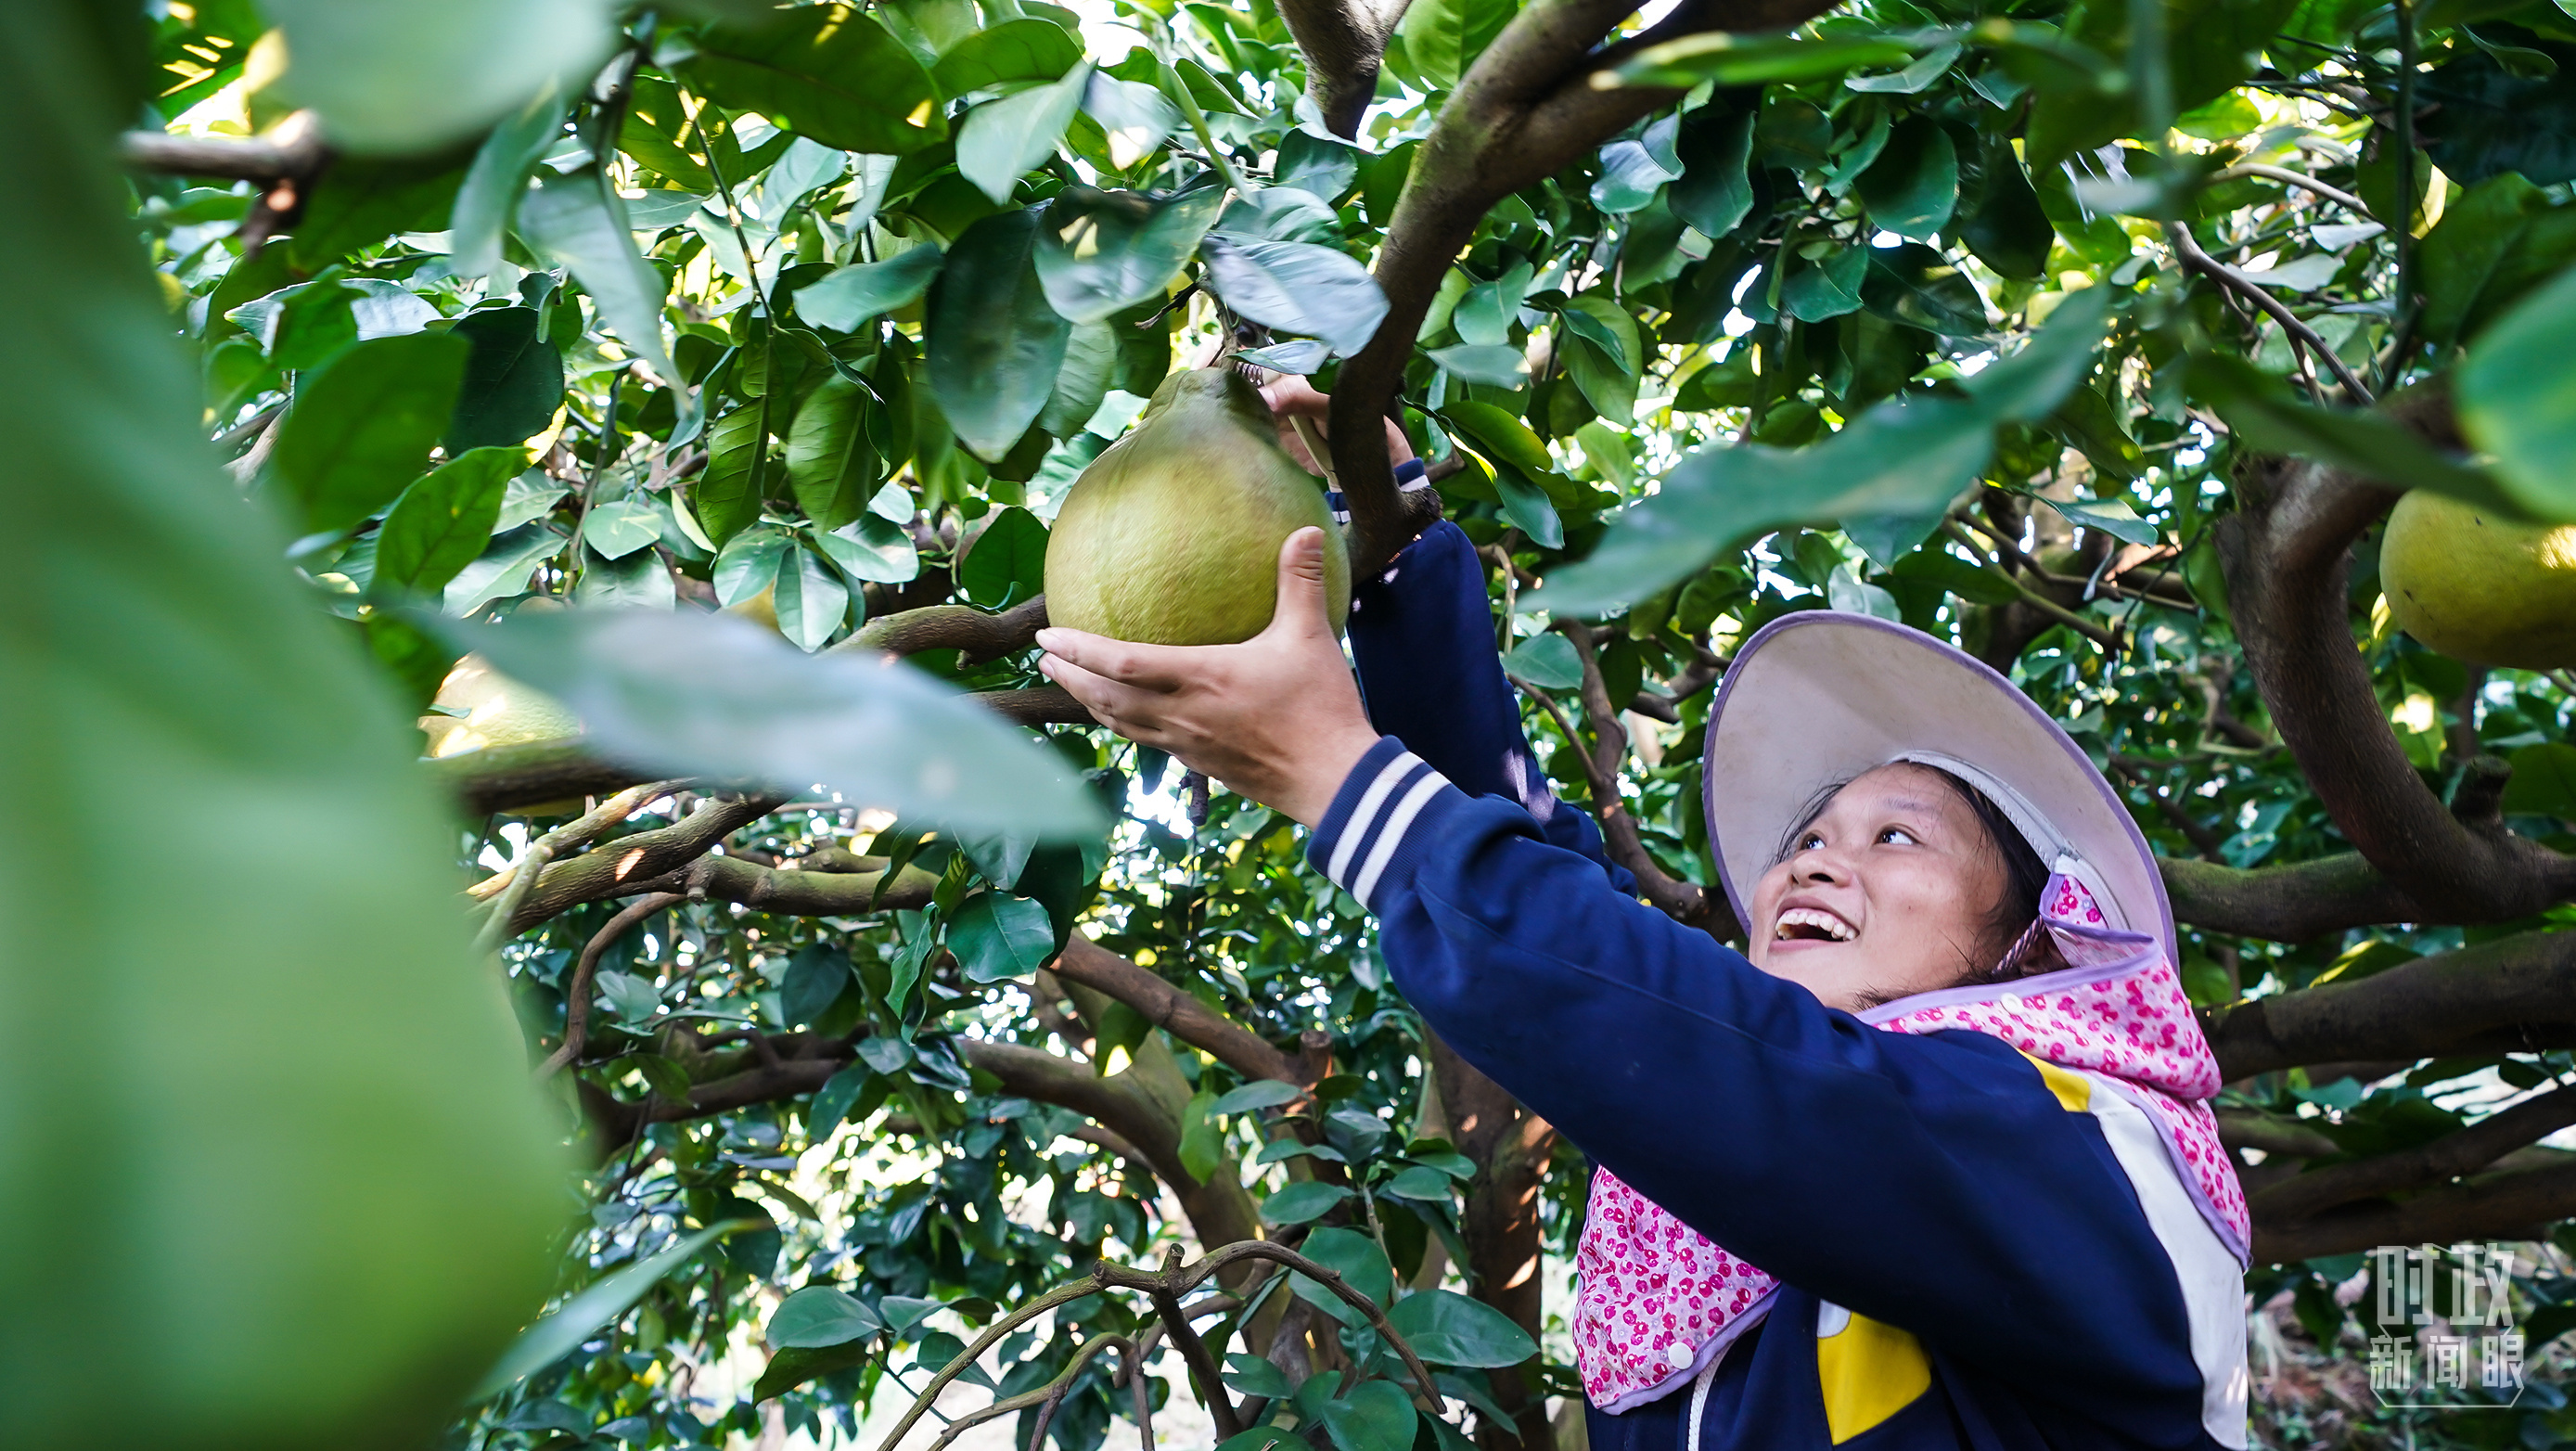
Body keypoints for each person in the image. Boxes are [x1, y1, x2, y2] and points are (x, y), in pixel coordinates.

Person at [1035, 392, 2250, 1451]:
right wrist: (1393, 546)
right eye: (1809, 839)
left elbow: (1747, 1075)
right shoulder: (1722, 1240)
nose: (1815, 865)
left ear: (2031, 946)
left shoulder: (2100, 1159)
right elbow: (1599, 948)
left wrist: (1337, 776)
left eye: (1896, 837)